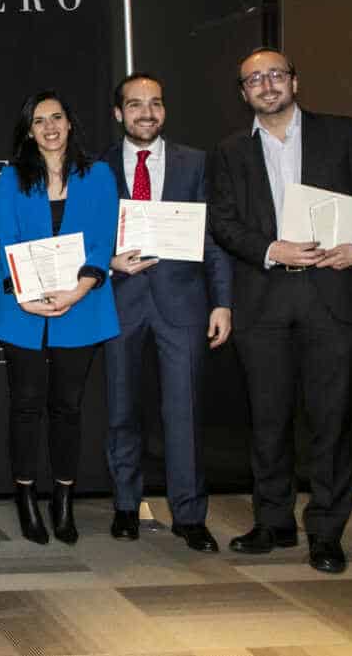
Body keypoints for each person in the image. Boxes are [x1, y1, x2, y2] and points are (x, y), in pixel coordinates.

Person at [209, 48, 352, 574]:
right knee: (267, 421)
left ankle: (326, 531)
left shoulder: (342, 134)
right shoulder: (228, 151)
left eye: (275, 75)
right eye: (254, 79)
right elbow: (223, 223)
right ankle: (273, 522)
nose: (267, 85)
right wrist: (274, 249)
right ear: (243, 92)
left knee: (331, 422)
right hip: (265, 300)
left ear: (294, 80)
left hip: (332, 297)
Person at [101, 73, 232, 552]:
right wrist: (104, 260)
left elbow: (213, 237)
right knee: (121, 411)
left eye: (155, 104)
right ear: (119, 114)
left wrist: (222, 301)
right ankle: (125, 505)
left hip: (183, 303)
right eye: (135, 105)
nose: (146, 113)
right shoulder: (97, 167)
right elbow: (88, 234)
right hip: (119, 301)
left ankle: (190, 514)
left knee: (184, 412)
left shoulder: (194, 163)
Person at [0, 90, 119, 546]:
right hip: (23, 309)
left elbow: (103, 240)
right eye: (39, 120)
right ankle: (25, 497)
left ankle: (63, 498)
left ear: (70, 122)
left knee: (67, 408)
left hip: (81, 305)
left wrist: (79, 289)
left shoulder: (98, 175)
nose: (49, 127)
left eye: (56, 117)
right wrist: (25, 295)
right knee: (25, 406)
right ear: (28, 131)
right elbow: (8, 241)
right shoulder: (12, 179)